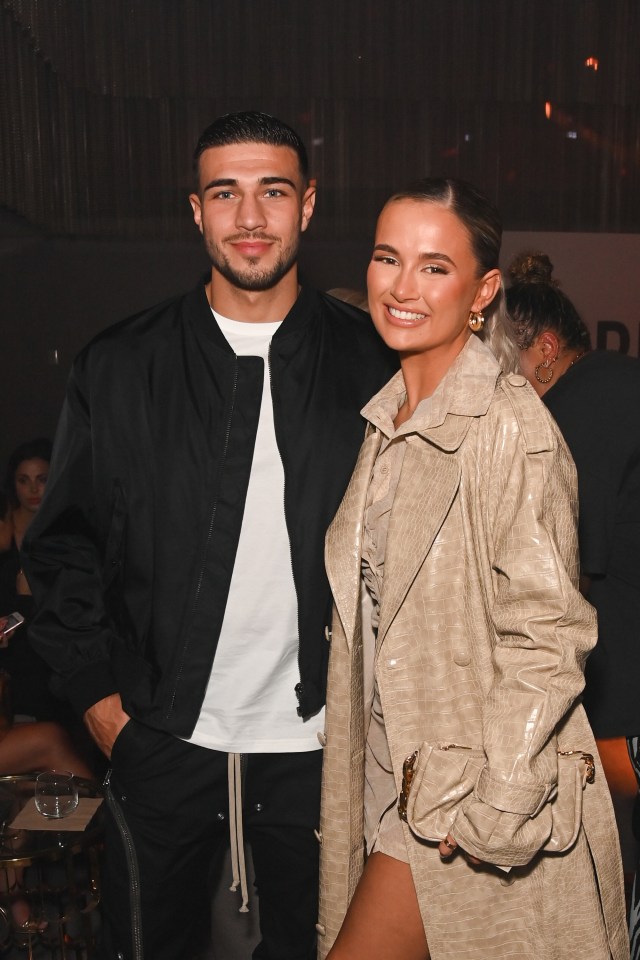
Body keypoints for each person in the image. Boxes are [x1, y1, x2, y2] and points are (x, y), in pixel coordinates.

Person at [21, 111, 397, 960]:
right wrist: (98, 700)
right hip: (162, 740)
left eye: (273, 192)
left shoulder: (372, 362)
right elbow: (62, 545)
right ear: (196, 211)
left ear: (308, 206)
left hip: (322, 749)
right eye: (226, 193)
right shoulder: (120, 365)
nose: (251, 217)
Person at [317, 179, 629, 960]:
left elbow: (552, 631)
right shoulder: (386, 423)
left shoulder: (509, 425)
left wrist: (501, 797)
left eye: (434, 266)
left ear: (483, 291)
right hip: (396, 777)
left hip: (462, 794)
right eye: (390, 258)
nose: (402, 285)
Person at [506, 250, 640, 958]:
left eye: (506, 364)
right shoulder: (624, 381)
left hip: (627, 708)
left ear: (546, 351)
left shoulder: (571, 410)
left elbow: (561, 579)